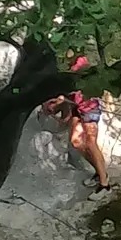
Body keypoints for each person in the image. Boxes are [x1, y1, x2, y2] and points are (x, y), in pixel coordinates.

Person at [44, 55, 111, 192]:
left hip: (89, 109)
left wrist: (58, 101)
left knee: (91, 143)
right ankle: (100, 172)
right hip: (78, 108)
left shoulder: (81, 65)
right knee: (76, 142)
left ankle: (104, 185)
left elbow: (75, 89)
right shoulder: (69, 63)